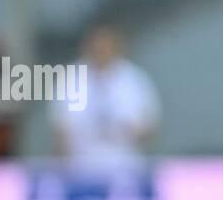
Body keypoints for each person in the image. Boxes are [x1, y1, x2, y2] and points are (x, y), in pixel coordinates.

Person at [51, 25, 160, 167]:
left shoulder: (134, 80)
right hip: (80, 168)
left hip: (125, 166)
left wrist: (126, 132)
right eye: (97, 46)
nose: (101, 51)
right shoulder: (71, 79)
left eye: (106, 46)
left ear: (117, 48)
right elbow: (59, 130)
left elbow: (150, 127)